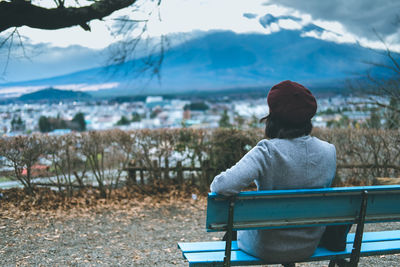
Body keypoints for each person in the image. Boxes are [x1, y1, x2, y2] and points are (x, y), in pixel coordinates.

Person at [210, 80, 337, 265]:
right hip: (308, 244)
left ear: (274, 117)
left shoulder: (267, 151)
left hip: (265, 247)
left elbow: (221, 186)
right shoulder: (329, 151)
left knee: (231, 233)